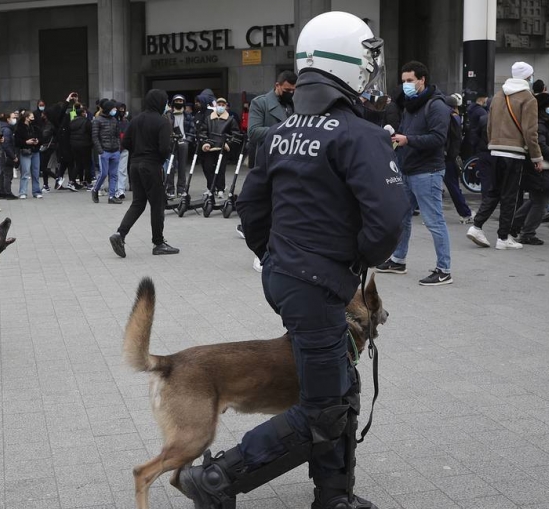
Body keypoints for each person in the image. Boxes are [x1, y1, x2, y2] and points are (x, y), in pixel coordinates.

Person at [176, 12, 408, 509]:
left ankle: (335, 496)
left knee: (341, 393)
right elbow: (388, 221)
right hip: (321, 286)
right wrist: (356, 263)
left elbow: (250, 206)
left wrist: (273, 256)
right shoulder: (361, 135)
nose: (370, 70)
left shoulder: (281, 132)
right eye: (366, 58)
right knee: (324, 408)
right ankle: (217, 479)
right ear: (345, 62)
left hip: (286, 279)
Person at [375, 60, 453, 286]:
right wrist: (398, 138)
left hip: (427, 172)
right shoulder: (411, 103)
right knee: (402, 217)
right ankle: (398, 260)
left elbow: (439, 139)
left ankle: (444, 269)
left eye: (410, 81)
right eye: (403, 81)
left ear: (422, 80)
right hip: (407, 169)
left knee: (434, 220)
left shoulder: (436, 105)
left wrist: (408, 140)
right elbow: (408, 132)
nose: (406, 85)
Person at [467, 61, 543, 250]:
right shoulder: (529, 98)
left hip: (494, 150)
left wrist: (494, 142)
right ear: (527, 77)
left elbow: (489, 125)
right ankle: (503, 237)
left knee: (494, 191)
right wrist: (537, 157)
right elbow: (530, 131)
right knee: (510, 195)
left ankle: (476, 226)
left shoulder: (499, 96)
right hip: (514, 153)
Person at [109, 89, 179, 257]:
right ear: (160, 102)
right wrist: (161, 157)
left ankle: (120, 234)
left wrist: (138, 152)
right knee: (157, 204)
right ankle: (158, 243)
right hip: (152, 166)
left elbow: (125, 141)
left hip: (135, 165)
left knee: (138, 203)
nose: (167, 105)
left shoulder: (136, 119)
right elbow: (164, 148)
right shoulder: (162, 122)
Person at [244, 69, 298, 272]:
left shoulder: (297, 103)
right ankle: (262, 252)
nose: (291, 93)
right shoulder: (261, 103)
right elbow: (254, 132)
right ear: (277, 86)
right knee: (268, 209)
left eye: (294, 90)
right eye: (287, 89)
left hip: (293, 161)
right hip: (268, 163)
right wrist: (286, 129)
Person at [510, 93, 549, 244]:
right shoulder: (539, 124)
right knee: (540, 202)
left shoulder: (541, 122)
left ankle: (513, 225)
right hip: (540, 166)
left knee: (535, 200)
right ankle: (527, 233)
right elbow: (541, 145)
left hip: (538, 166)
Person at [198, 97, 240, 197]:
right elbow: (203, 132)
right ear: (216, 106)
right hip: (210, 148)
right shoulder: (208, 119)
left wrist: (228, 143)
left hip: (222, 148)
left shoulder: (230, 120)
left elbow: (236, 134)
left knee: (220, 169)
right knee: (207, 168)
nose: (221, 106)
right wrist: (205, 143)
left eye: (223, 105)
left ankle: (220, 188)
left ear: (226, 107)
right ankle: (211, 188)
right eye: (219, 104)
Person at [443, 94, 474, 223]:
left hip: (447, 156)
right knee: (453, 185)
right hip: (450, 156)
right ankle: (465, 213)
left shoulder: (449, 118)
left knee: (451, 185)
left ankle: (465, 213)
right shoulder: (455, 118)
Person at [92, 99, 123, 204]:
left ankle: (111, 196)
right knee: (104, 173)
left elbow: (117, 135)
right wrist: (100, 151)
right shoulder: (98, 120)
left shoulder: (114, 120)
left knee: (114, 174)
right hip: (105, 151)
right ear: (108, 109)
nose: (115, 110)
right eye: (113, 108)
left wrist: (119, 148)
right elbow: (95, 137)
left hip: (115, 151)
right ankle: (95, 190)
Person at [164, 94, 195, 198]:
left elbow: (192, 129)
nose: (178, 103)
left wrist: (188, 140)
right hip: (171, 142)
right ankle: (170, 190)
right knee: (170, 167)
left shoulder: (188, 115)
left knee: (182, 167)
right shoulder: (168, 115)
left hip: (183, 143)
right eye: (176, 101)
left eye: (181, 101)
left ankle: (181, 190)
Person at [466, 93, 492, 196]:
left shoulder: (482, 117)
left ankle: (486, 197)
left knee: (485, 175)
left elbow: (475, 133)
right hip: (492, 150)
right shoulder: (483, 114)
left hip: (482, 149)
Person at [16, 109, 44, 199]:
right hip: (25, 151)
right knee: (25, 172)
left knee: (36, 173)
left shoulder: (35, 127)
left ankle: (36, 191)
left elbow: (41, 137)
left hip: (35, 151)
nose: (33, 118)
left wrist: (37, 141)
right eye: (31, 117)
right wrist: (26, 142)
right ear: (27, 118)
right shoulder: (20, 127)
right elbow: (17, 141)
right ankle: (22, 192)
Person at [69, 106, 93, 190]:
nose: (85, 113)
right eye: (84, 112)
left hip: (74, 145)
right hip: (85, 145)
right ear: (82, 113)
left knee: (78, 163)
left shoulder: (72, 122)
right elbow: (91, 133)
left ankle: (72, 181)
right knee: (87, 164)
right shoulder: (86, 122)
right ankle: (88, 182)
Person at [0, 112, 19, 200]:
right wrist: (13, 156)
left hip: (2, 154)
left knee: (3, 173)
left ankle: (2, 192)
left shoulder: (2, 127)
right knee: (8, 174)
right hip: (6, 154)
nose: (15, 119)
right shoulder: (7, 130)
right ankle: (8, 193)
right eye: (13, 117)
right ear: (8, 119)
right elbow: (6, 144)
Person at [116, 103, 131, 199]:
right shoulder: (113, 121)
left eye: (123, 109)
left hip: (124, 149)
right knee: (114, 171)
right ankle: (116, 189)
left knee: (122, 170)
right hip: (114, 149)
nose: (122, 111)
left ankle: (121, 190)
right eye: (120, 109)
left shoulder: (126, 122)